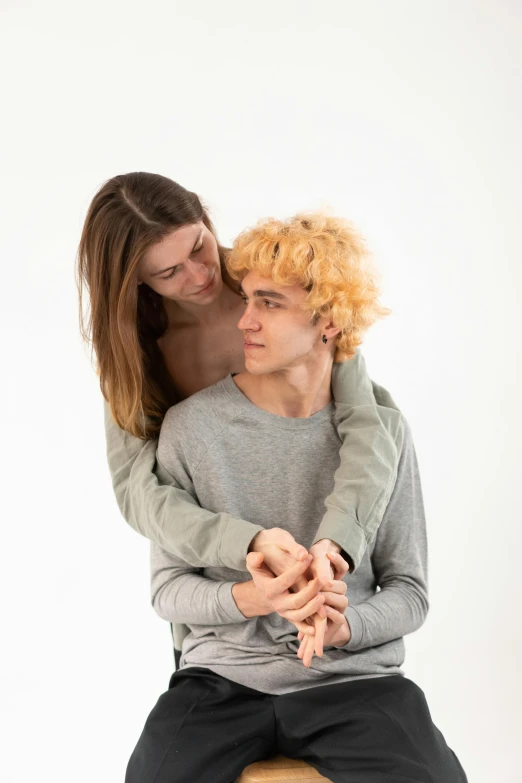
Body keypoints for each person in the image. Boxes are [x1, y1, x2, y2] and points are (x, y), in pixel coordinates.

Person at [125, 213, 467, 782]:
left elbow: (410, 593)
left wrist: (343, 627)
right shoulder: (191, 429)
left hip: (356, 684)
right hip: (221, 683)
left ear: (329, 320)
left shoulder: (382, 435)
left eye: (268, 303)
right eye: (247, 299)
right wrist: (256, 599)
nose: (243, 320)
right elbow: (168, 591)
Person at [77, 172, 404, 658]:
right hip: (221, 598)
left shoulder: (281, 277)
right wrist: (246, 545)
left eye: (198, 247)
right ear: (136, 281)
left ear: (205, 219)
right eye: (168, 273)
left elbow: (365, 427)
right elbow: (138, 494)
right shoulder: (134, 353)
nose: (198, 274)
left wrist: (336, 544)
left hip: (330, 575)